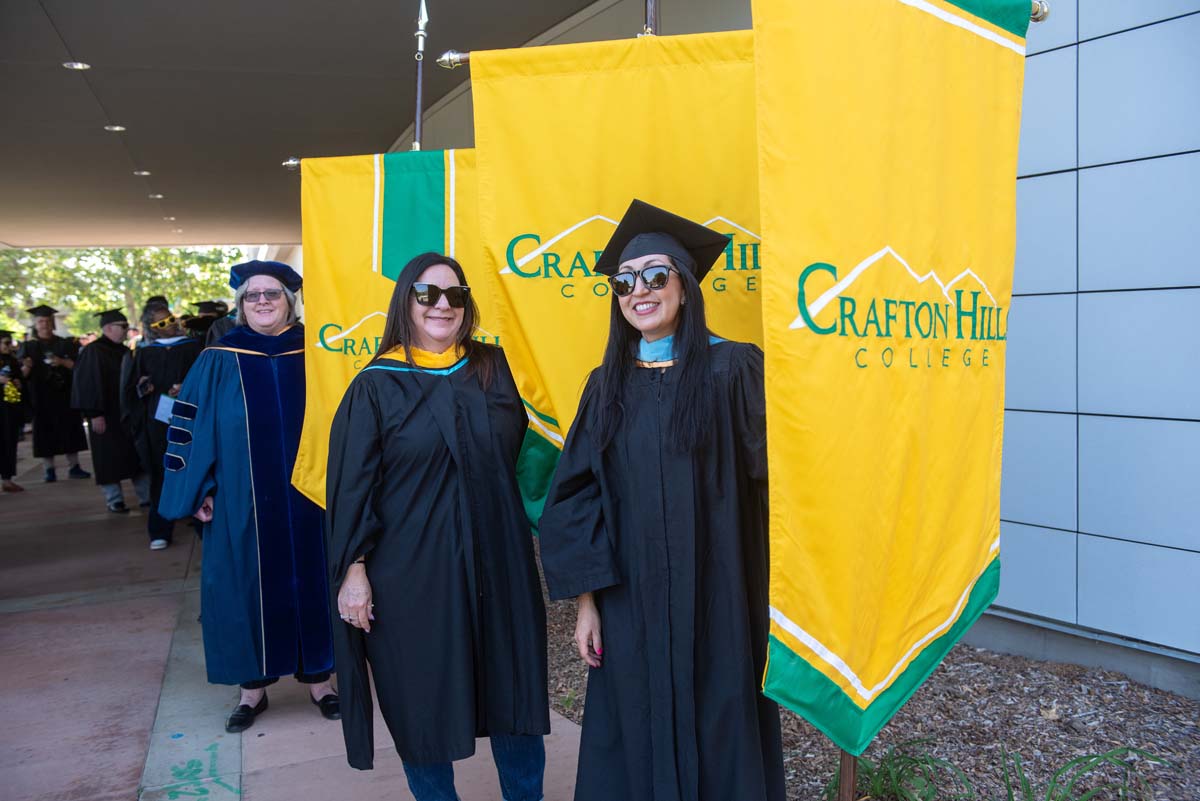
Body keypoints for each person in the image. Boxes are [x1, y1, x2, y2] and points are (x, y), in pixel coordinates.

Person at [538, 200, 785, 801]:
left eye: (654, 276)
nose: (638, 291)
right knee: (634, 728)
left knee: (722, 719)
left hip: (722, 594)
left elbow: (780, 481)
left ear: (686, 288)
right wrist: (588, 604)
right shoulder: (607, 385)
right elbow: (576, 497)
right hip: (631, 601)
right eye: (624, 282)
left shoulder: (734, 370)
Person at [326, 252, 549, 799]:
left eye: (455, 295)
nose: (442, 305)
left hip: (501, 564)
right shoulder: (375, 385)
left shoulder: (497, 368)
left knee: (514, 695)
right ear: (405, 302)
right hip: (413, 573)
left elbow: (537, 456)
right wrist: (354, 570)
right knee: (421, 700)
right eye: (427, 294)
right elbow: (352, 488)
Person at [159, 260, 338, 733]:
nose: (262, 301)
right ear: (240, 305)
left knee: (316, 579)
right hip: (242, 496)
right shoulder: (218, 358)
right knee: (243, 585)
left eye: (272, 294)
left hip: (311, 495)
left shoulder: (317, 353)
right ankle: (251, 690)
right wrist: (200, 488)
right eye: (252, 295)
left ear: (289, 301)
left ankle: (321, 681)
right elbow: (189, 426)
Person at [122, 301, 203, 549]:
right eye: (162, 322)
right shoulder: (145, 353)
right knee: (161, 472)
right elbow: (132, 390)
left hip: (190, 417)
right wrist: (143, 387)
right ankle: (160, 529)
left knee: (196, 468)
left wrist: (187, 387)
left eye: (171, 319)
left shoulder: (193, 347)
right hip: (158, 422)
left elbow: (206, 379)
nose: (170, 325)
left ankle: (203, 525)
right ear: (152, 327)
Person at [70, 310, 149, 513]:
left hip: (125, 413)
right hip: (105, 414)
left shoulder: (123, 350)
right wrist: (94, 413)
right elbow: (87, 384)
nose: (126, 330)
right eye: (122, 326)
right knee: (108, 458)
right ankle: (114, 499)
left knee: (134, 455)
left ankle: (145, 497)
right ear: (108, 328)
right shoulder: (94, 351)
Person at [16, 305, 90, 482]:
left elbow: (79, 367)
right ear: (35, 324)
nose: (45, 324)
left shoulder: (65, 343)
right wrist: (27, 366)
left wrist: (62, 362)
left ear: (53, 323)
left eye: (48, 321)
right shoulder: (28, 347)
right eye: (41, 321)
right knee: (44, 433)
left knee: (70, 429)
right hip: (41, 396)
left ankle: (74, 466)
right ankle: (49, 470)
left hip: (64, 394)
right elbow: (20, 375)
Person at [0, 330, 27, 492]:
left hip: (9, 407)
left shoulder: (12, 360)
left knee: (9, 442)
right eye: (6, 343)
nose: (9, 346)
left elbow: (20, 380)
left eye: (10, 343)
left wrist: (18, 383)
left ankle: (7, 479)